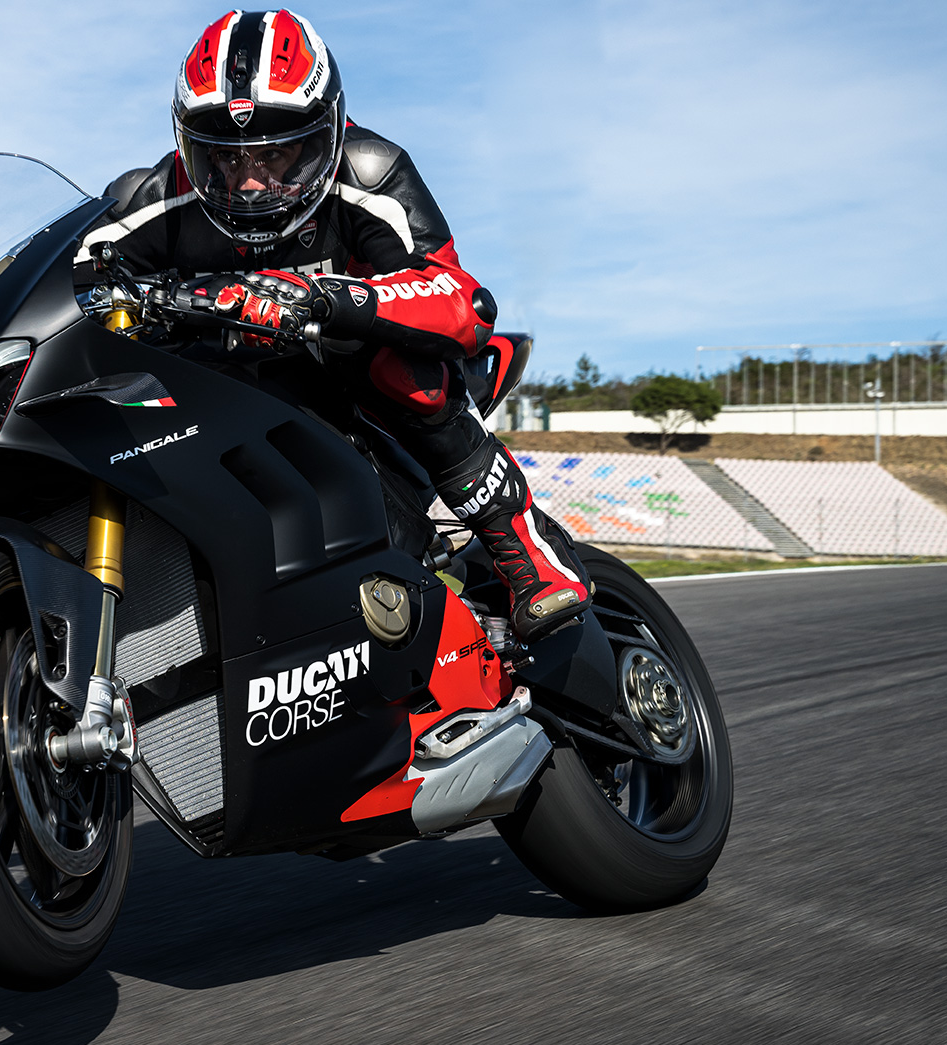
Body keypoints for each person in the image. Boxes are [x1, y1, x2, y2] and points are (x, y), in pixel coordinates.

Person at [79, 9, 589, 641]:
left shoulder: (370, 170)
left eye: (278, 153)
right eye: (225, 159)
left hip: (352, 371)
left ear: (328, 129)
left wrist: (321, 300)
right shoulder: (152, 197)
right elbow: (67, 278)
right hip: (222, 380)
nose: (251, 183)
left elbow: (462, 301)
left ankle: (527, 554)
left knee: (406, 374)